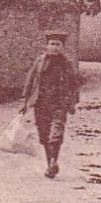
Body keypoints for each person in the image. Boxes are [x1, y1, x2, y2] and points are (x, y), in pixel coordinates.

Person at [22, 31, 80, 178]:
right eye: (52, 44)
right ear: (46, 46)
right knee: (44, 135)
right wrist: (25, 102)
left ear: (62, 47)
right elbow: (30, 81)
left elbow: (74, 84)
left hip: (59, 104)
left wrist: (72, 103)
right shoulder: (40, 61)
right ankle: (50, 164)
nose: (54, 47)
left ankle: (54, 161)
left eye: (57, 44)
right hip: (41, 103)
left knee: (56, 134)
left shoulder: (66, 64)